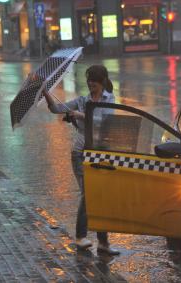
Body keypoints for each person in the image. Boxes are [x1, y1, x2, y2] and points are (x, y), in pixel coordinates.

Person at [43, 65, 120, 256]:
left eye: (93, 80)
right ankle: (80, 237)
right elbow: (56, 109)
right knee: (88, 194)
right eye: (88, 80)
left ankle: (103, 243)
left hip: (100, 153)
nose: (90, 83)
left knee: (99, 196)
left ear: (102, 81)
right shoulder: (83, 100)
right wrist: (45, 92)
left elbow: (103, 123)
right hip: (80, 153)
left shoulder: (109, 99)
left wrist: (79, 115)